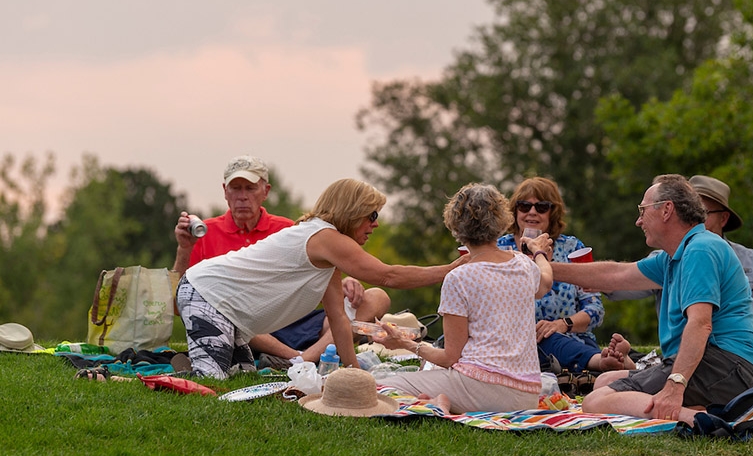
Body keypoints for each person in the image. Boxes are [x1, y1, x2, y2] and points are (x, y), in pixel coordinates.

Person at [176, 178, 460, 379]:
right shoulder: (325, 237)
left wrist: (354, 374)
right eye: (372, 215)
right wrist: (451, 268)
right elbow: (387, 275)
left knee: (242, 376)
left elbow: (338, 318)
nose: (375, 223)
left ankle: (195, 362)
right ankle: (136, 382)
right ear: (352, 211)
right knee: (212, 383)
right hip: (205, 294)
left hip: (226, 309)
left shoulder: (326, 245)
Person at [550, 174, 753, 424]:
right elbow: (614, 274)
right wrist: (541, 267)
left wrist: (674, 387)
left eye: (643, 210)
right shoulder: (672, 256)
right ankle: (707, 409)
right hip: (725, 368)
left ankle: (699, 418)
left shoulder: (701, 249)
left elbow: (700, 324)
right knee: (605, 381)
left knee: (594, 402)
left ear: (666, 210)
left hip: (729, 368)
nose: (638, 220)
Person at [172, 155, 390, 364]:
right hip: (251, 321)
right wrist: (184, 249)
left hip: (294, 318)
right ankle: (295, 357)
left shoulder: (291, 230)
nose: (242, 196)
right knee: (232, 310)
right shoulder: (203, 232)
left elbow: (311, 284)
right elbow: (180, 305)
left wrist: (341, 283)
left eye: (250, 188)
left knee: (375, 297)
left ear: (265, 191)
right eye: (235, 188)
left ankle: (304, 358)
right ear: (225, 192)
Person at [375, 183, 554, 414]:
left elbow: (450, 357)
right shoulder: (522, 264)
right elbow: (545, 282)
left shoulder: (458, 278)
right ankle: (437, 399)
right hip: (527, 394)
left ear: (456, 225)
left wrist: (404, 343)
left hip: (480, 390)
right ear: (501, 219)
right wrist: (538, 252)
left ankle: (436, 403)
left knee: (379, 386)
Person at [605, 175, 753, 370]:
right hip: (681, 360)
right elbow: (617, 282)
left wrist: (734, 352)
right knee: (608, 384)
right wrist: (585, 276)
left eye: (703, 211)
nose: (693, 215)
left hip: (733, 362)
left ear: (724, 218)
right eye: (688, 208)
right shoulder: (666, 257)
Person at [496, 177, 629, 374]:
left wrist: (562, 324)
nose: (532, 212)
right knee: (536, 336)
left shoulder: (572, 248)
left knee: (549, 337)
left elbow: (595, 308)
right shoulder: (499, 249)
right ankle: (608, 361)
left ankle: (604, 361)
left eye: (541, 207)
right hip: (512, 342)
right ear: (515, 211)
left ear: (553, 212)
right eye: (524, 206)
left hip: (568, 339)